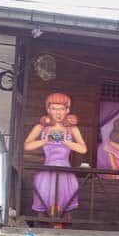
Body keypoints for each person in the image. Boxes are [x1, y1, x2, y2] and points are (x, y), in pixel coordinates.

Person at [23, 92, 87, 227]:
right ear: (48, 109)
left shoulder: (71, 129)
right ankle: (48, 224)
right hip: (48, 169)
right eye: (54, 108)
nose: (58, 112)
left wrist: (65, 141)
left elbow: (83, 149)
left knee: (65, 202)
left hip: (65, 170)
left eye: (61, 109)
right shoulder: (41, 127)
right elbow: (27, 145)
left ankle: (60, 225)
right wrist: (46, 139)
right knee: (46, 196)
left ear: (67, 110)